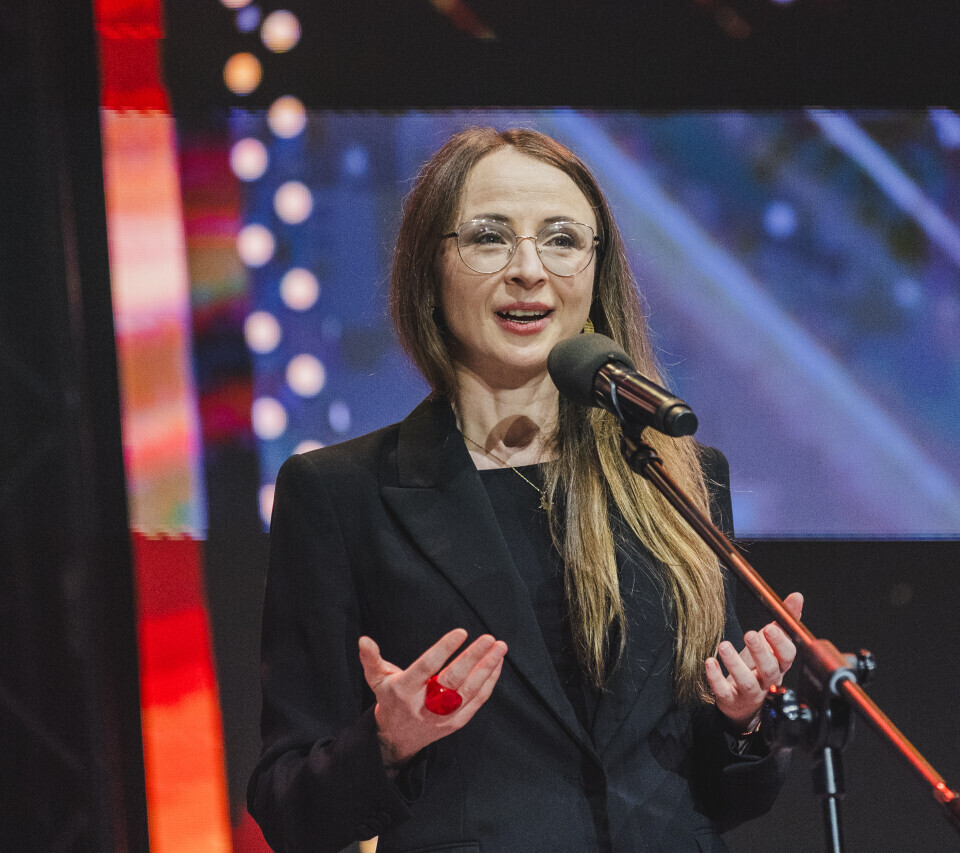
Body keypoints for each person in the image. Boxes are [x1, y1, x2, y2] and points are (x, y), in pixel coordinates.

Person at [247, 127, 804, 853]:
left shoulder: (677, 478)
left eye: (563, 240)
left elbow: (722, 798)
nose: (530, 271)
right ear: (429, 269)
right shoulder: (342, 495)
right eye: (489, 238)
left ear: (596, 272)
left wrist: (744, 721)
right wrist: (388, 741)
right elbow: (288, 806)